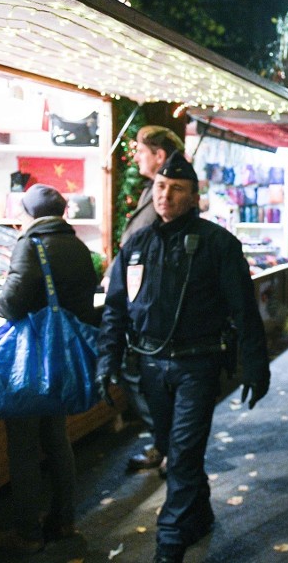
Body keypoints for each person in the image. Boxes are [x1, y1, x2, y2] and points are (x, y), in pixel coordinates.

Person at [96, 152, 270, 563]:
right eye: (160, 186)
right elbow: (116, 309)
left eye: (176, 189)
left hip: (198, 365)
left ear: (194, 197)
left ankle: (169, 543)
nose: (165, 196)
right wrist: (108, 361)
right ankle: (199, 516)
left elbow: (244, 312)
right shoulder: (136, 245)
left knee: (183, 455)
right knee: (172, 446)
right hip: (151, 368)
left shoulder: (217, 245)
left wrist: (256, 367)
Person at [0, 185, 99, 555]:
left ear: (31, 213)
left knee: (23, 446)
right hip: (63, 362)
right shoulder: (79, 247)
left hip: (30, 362)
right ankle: (64, 520)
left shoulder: (31, 244)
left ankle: (27, 531)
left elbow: (12, 304)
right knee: (56, 439)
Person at [109, 125, 185, 473]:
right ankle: (163, 444)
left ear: (158, 155)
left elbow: (141, 249)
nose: (136, 156)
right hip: (142, 301)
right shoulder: (148, 194)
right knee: (143, 377)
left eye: (140, 150)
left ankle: (167, 445)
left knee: (142, 376)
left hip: (149, 306)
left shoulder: (162, 198)